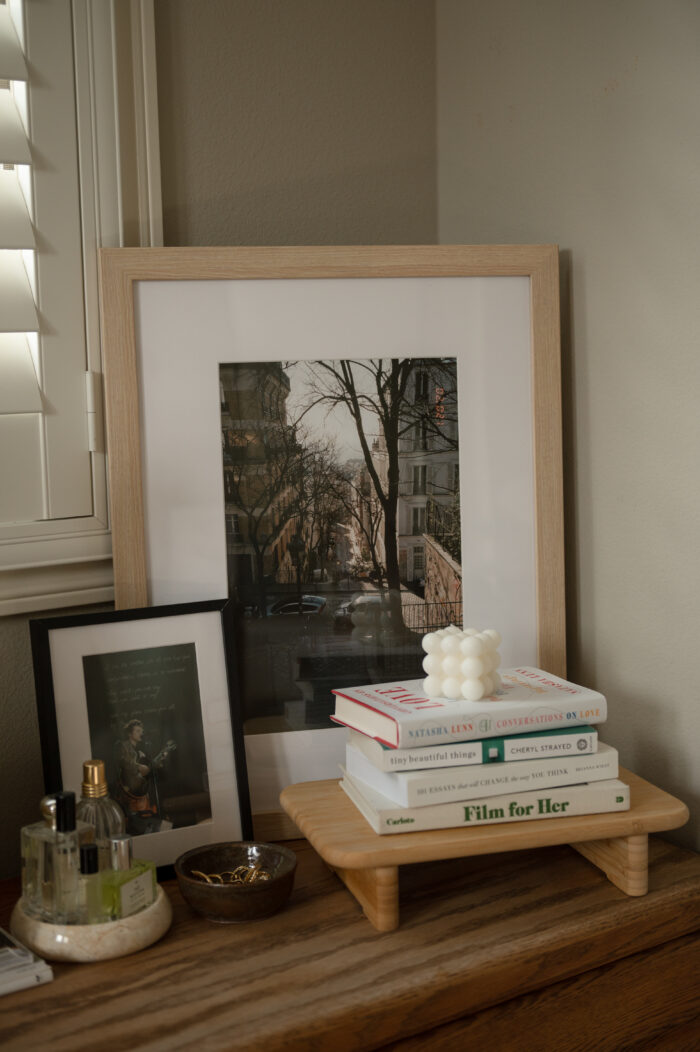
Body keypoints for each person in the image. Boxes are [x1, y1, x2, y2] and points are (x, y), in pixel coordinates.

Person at [114, 718, 175, 836]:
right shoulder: (123, 746)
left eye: (141, 731)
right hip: (128, 790)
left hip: (142, 790)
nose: (141, 733)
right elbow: (122, 762)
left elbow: (148, 768)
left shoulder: (142, 749)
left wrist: (161, 758)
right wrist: (138, 766)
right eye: (137, 731)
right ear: (129, 733)